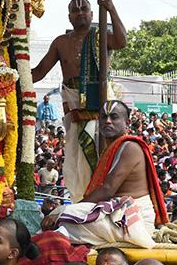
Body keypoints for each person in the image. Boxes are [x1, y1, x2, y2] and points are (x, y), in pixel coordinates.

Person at [29, 0, 127, 202]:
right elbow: (38, 72)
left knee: (99, 150)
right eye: (75, 10)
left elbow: (121, 41)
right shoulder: (61, 42)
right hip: (73, 111)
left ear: (92, 14)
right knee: (75, 158)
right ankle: (82, 200)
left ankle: (98, 199)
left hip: (98, 107)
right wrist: (12, 79)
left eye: (84, 9)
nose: (80, 12)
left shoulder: (101, 36)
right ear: (69, 17)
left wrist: (111, 8)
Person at [40, 100, 166, 248]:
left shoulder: (130, 147)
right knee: (58, 214)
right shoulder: (113, 148)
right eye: (103, 117)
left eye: (114, 117)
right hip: (116, 213)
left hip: (132, 218)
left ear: (127, 121)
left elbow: (108, 190)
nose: (107, 121)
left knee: (62, 222)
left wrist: (70, 212)